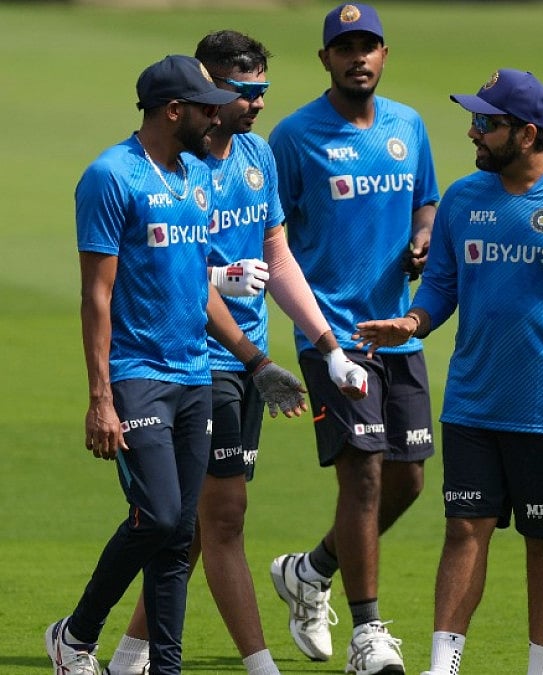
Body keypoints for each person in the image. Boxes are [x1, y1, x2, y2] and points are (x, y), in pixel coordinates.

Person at [353, 67, 543, 675]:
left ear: (527, 133)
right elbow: (440, 288)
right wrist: (410, 324)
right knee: (463, 531)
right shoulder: (462, 198)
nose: (472, 133)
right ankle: (443, 666)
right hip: (472, 406)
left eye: (486, 124)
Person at [101, 31, 370, 675]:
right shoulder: (174, 164)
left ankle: (121, 651)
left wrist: (329, 346)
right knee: (221, 519)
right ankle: (259, 665)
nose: (255, 105)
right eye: (243, 93)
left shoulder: (256, 156)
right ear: (205, 91)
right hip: (187, 356)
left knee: (189, 524)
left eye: (262, 92)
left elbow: (277, 256)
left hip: (251, 357)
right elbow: (158, 266)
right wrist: (218, 281)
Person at [44, 54, 307, 675]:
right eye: (205, 107)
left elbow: (196, 286)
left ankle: (165, 668)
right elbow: (96, 295)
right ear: (173, 110)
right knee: (160, 517)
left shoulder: (191, 178)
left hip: (196, 374)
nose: (216, 117)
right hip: (139, 377)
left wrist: (255, 360)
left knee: (177, 534)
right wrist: (100, 397)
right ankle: (77, 636)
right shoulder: (111, 177)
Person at [266, 4, 440, 674]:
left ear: (385, 54)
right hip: (333, 335)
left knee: (409, 479)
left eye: (368, 46)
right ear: (325, 60)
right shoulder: (295, 136)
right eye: (344, 48)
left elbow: (426, 196)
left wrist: (423, 235)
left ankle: (310, 569)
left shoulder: (408, 125)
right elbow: (270, 229)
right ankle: (370, 633)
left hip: (397, 329)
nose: (357, 58)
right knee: (363, 475)